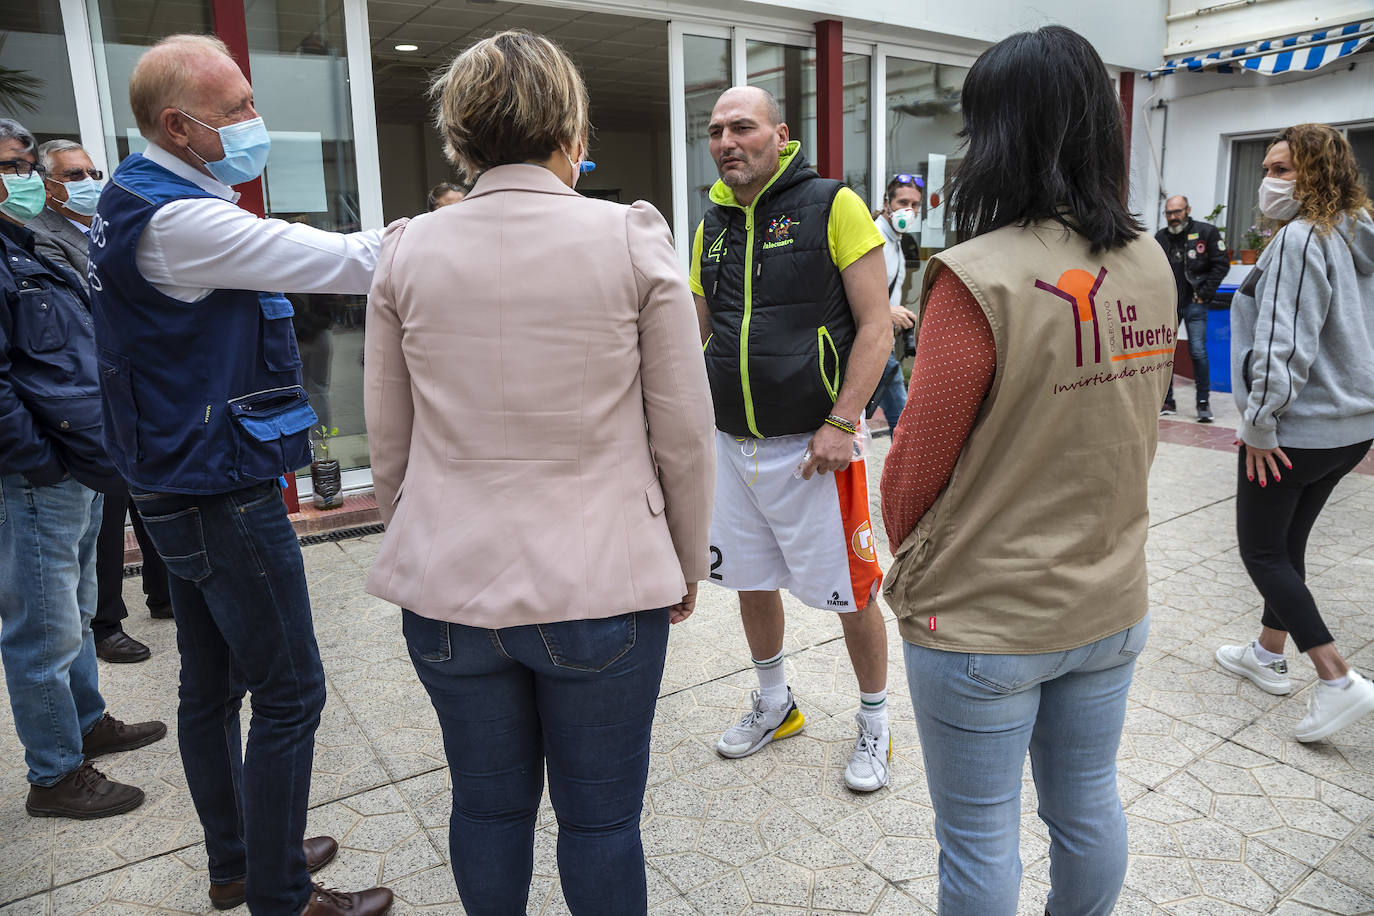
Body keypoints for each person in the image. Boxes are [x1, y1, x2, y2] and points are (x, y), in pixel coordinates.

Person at [364, 30, 714, 915]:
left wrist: (418, 537)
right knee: (600, 825)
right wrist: (684, 554)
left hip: (447, 584)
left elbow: (390, 441)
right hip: (601, 580)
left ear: (461, 133)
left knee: (485, 806)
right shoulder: (630, 236)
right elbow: (683, 432)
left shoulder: (407, 248)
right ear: (569, 124)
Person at [86, 36, 391, 915]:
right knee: (291, 693)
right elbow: (346, 261)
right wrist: (471, 219)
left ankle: (240, 858)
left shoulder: (141, 191)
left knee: (211, 685)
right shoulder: (182, 221)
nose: (258, 122)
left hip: (174, 476)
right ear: (179, 126)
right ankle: (283, 894)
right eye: (240, 110)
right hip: (216, 489)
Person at [879, 27, 1175, 915]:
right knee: (1087, 805)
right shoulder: (1150, 260)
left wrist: (917, 558)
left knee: (977, 839)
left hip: (987, 618)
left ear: (996, 134)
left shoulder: (977, 276)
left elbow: (908, 478)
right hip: (1112, 597)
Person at [690, 86, 894, 791]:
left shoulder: (833, 204)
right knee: (748, 579)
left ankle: (875, 722)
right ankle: (775, 704)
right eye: (715, 131)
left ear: (780, 135)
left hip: (815, 450)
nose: (726, 142)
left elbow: (876, 325)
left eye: (741, 127)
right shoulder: (711, 223)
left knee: (854, 593)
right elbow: (698, 333)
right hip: (731, 445)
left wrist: (843, 422)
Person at [0, 117, 167, 820]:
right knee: (41, 627)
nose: (23, 176)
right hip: (40, 470)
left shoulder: (27, 242)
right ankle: (55, 773)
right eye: (7, 164)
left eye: (25, 162)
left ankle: (87, 723)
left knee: (70, 612)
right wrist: (40, 461)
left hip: (78, 458)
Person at [1215, 123, 1374, 741]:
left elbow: (1283, 343)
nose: (1269, 180)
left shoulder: (1302, 238)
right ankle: (1266, 651)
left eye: (1284, 171)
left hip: (1297, 428)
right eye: (1268, 168)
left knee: (1261, 550)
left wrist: (1259, 423)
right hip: (1351, 428)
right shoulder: (1356, 231)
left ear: (1316, 176)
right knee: (1289, 543)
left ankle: (1336, 677)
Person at [29, 138, 173, 664]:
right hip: (94, 392)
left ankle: (165, 595)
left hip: (139, 384)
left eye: (93, 172)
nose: (89, 183)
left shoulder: (102, 226)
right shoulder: (40, 236)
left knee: (154, 497)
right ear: (47, 184)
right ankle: (106, 623)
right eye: (73, 175)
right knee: (110, 514)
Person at [1156, 194, 1228, 421]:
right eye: (1169, 213)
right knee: (1165, 353)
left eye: (1177, 212)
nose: (1173, 217)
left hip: (1195, 302)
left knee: (1197, 351)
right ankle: (1167, 401)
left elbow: (1221, 264)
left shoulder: (1206, 233)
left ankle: (1203, 404)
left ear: (1188, 210)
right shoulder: (1161, 237)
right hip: (1170, 304)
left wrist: (1204, 294)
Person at [868, 172, 923, 434]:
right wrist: (888, 312)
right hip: (869, 343)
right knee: (902, 419)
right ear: (887, 203)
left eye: (915, 205)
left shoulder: (896, 241)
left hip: (883, 343)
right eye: (903, 203)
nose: (909, 210)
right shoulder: (873, 238)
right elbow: (847, 293)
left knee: (898, 419)